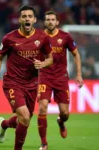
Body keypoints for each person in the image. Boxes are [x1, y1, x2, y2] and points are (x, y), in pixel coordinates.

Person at [0, 5, 53, 150]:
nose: (27, 19)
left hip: (32, 84)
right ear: (19, 19)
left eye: (30, 16)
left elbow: (50, 59)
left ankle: (4, 124)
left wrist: (42, 63)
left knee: (24, 120)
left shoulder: (42, 37)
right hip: (13, 82)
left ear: (34, 19)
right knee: (24, 117)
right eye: (24, 16)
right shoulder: (9, 38)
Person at [37, 11, 83, 150]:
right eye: (47, 19)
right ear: (45, 22)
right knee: (42, 106)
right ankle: (44, 143)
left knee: (65, 113)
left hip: (61, 78)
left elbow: (76, 54)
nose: (50, 21)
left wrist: (79, 74)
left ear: (57, 22)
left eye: (52, 19)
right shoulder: (39, 37)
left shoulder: (65, 36)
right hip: (44, 76)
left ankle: (61, 122)